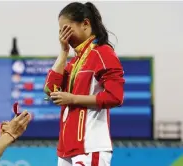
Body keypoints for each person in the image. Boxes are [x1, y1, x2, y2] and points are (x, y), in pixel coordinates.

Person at [44, 2, 125, 166]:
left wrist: (73, 99)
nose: (64, 36)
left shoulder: (103, 53)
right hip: (67, 148)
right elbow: (50, 88)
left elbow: (115, 97)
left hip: (90, 145)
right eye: (61, 32)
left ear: (86, 24)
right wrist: (63, 51)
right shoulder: (75, 61)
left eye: (67, 30)